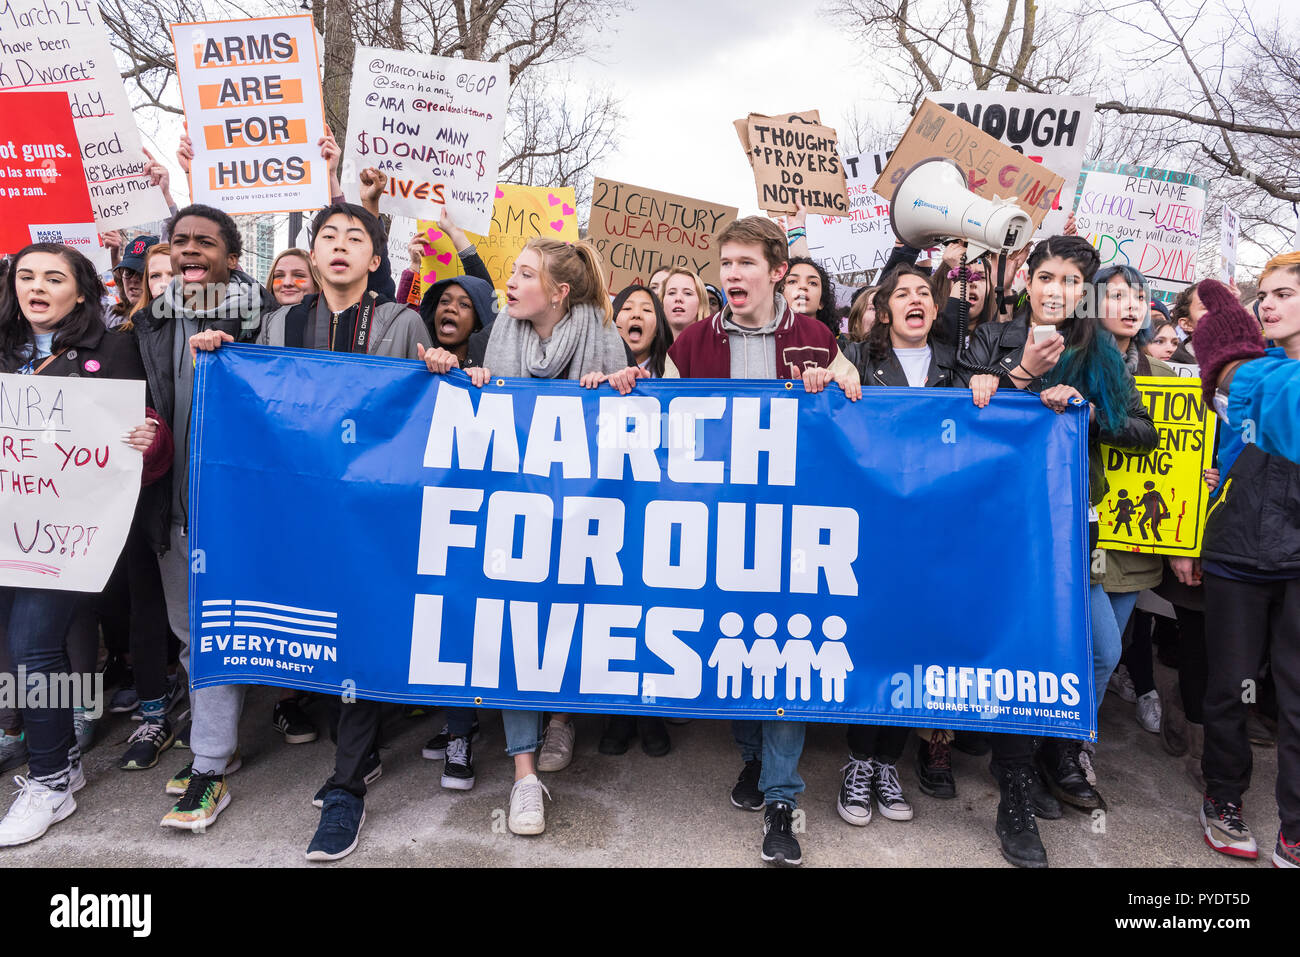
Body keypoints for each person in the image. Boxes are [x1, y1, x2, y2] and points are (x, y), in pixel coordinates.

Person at [189, 201, 431, 860]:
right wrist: (218, 355)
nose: (341, 245)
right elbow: (254, 404)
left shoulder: (403, 321)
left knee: (358, 628)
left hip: (373, 510)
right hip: (296, 506)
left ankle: (347, 785)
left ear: (376, 259)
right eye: (329, 236)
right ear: (313, 252)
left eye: (357, 236)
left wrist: (440, 368)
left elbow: (427, 404)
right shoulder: (277, 322)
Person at [420, 237, 635, 838]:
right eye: (511, 273)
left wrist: (620, 387)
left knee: (570, 618)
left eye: (523, 275)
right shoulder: (500, 338)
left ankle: (561, 716)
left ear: (559, 292)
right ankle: (523, 777)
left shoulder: (600, 333)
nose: (508, 284)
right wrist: (466, 376)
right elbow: (484, 405)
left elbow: (625, 416)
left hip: (582, 512)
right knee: (513, 624)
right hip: (515, 510)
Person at [665, 215, 860, 866]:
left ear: (778, 271)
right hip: (716, 524)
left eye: (746, 263)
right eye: (726, 264)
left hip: (794, 531)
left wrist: (839, 379)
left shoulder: (816, 337)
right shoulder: (690, 344)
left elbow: (855, 412)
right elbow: (657, 430)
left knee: (786, 649)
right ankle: (750, 757)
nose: (732, 275)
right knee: (732, 641)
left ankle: (782, 796)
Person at [966, 236, 1158, 867]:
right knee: (1026, 648)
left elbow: (1143, 432)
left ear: (1085, 291)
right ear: (1026, 280)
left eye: (1071, 281)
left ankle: (1054, 750)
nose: (1055, 290)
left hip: (1074, 524)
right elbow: (955, 418)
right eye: (1045, 276)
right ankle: (1014, 792)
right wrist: (1021, 376)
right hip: (1001, 523)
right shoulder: (992, 339)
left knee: (1101, 649)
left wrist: (1089, 411)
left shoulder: (1099, 351)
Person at [0, 244, 168, 846]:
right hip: (5, 526)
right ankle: (55, 749)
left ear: (80, 290)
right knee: (13, 650)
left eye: (53, 277)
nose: (36, 287)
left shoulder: (116, 349)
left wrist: (148, 438)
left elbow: (148, 442)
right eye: (26, 277)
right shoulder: (3, 350)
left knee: (33, 645)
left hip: (70, 533)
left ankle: (50, 781)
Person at [135, 203, 280, 833]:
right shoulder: (147, 326)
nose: (190, 250)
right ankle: (218, 743)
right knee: (193, 636)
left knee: (222, 638)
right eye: (180, 241)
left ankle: (210, 766)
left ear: (232, 258)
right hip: (173, 512)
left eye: (205, 242)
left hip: (237, 516)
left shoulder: (262, 323)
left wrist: (236, 354)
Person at [836, 265, 964, 826]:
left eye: (923, 295)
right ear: (883, 311)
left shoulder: (959, 368)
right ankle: (858, 762)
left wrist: (994, 386)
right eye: (902, 294)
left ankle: (888, 761)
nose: (915, 301)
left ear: (935, 312)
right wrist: (827, 382)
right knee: (872, 641)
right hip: (871, 528)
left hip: (933, 532)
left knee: (913, 644)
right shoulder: (858, 359)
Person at [1187, 267, 1300, 868]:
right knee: (1230, 688)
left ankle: (1295, 826)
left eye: (1284, 295)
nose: (1268, 307)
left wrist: (1228, 354)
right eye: (1264, 298)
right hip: (1236, 552)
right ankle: (1223, 799)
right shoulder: (1259, 374)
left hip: (1296, 558)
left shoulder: (1267, 375)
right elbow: (1232, 408)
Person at [1092, 265, 1175, 737]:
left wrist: (1200, 477)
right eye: (1116, 295)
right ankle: (1053, 743)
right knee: (1096, 648)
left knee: (1110, 653)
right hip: (1087, 529)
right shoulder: (1073, 362)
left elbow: (1178, 451)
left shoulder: (1165, 376)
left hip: (1135, 539)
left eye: (1138, 297)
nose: (1130, 305)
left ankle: (1077, 745)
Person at [611, 284, 672, 379]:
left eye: (647, 310)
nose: (636, 315)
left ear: (658, 328)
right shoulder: (597, 369)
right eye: (627, 308)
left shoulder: (672, 374)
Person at [108, 235, 160, 326]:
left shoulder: (174, 323)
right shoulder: (112, 316)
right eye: (128, 272)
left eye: (142, 273)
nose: (134, 279)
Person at [782, 256, 838, 338]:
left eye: (812, 283)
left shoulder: (839, 347)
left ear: (821, 302)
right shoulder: (764, 344)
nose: (803, 286)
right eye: (792, 281)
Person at [661, 268, 710, 338]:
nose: (678, 298)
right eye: (671, 293)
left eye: (687, 293)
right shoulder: (649, 347)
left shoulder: (715, 346)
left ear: (701, 302)